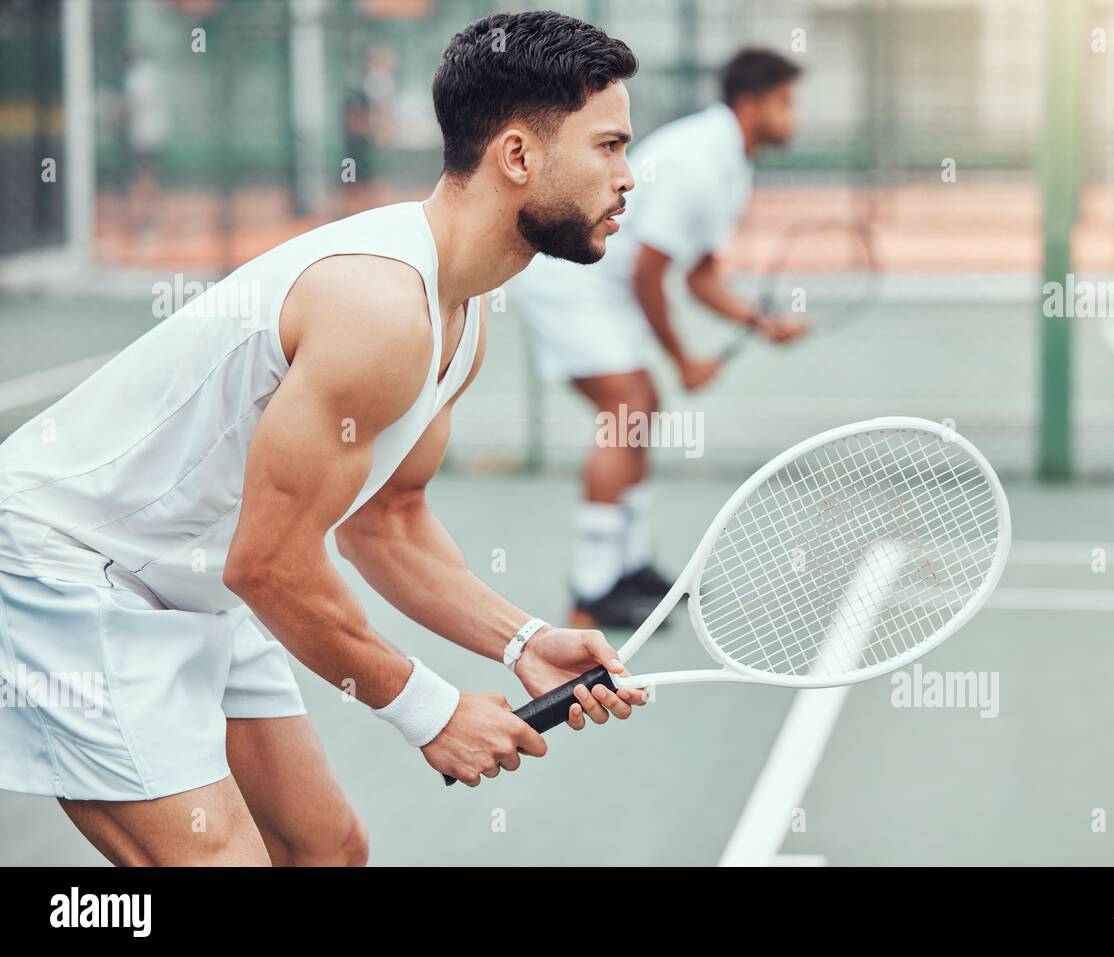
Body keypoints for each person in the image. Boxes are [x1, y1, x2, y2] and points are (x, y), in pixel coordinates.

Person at [0, 11, 643, 866]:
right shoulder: (378, 309)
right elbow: (268, 564)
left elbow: (388, 522)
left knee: (326, 849)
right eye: (609, 147)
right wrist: (433, 709)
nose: (628, 177)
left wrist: (522, 641)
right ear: (518, 156)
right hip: (67, 560)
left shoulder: (460, 315)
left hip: (187, 573)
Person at [509, 48, 809, 630]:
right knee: (626, 408)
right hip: (574, 282)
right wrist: (683, 359)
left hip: (608, 287)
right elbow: (650, 273)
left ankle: (630, 565)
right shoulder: (699, 162)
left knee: (641, 408)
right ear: (751, 105)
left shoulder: (733, 161)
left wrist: (757, 322)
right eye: (784, 102)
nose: (793, 116)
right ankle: (593, 592)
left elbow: (698, 275)